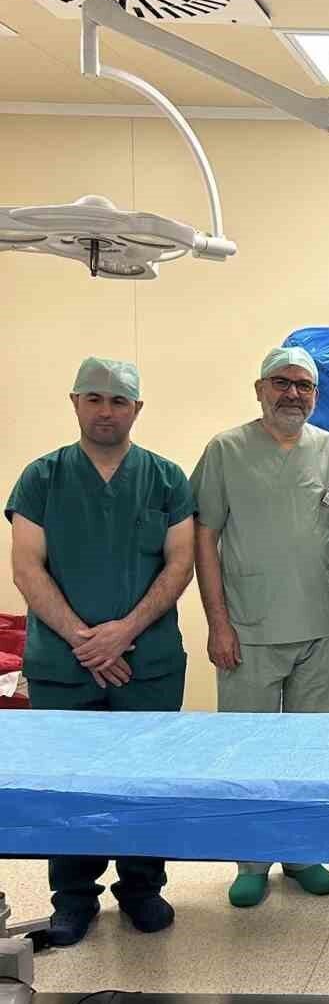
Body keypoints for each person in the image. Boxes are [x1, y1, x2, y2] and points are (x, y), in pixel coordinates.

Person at [5, 358, 194, 946]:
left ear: (137, 409)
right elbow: (26, 567)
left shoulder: (166, 479)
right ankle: (73, 898)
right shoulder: (42, 478)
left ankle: (142, 888)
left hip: (147, 661)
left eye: (118, 400)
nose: (105, 410)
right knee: (69, 785)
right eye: (94, 398)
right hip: (65, 663)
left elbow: (180, 563)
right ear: (75, 402)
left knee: (146, 781)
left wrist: (122, 632)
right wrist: (84, 641)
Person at [191, 345, 329, 909]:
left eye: (303, 385)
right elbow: (205, 537)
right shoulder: (226, 450)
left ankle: (302, 854)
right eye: (281, 382)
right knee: (249, 752)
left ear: (316, 395)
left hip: (316, 626)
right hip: (249, 629)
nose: (292, 393)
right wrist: (217, 622)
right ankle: (252, 861)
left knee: (309, 751)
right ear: (259, 389)